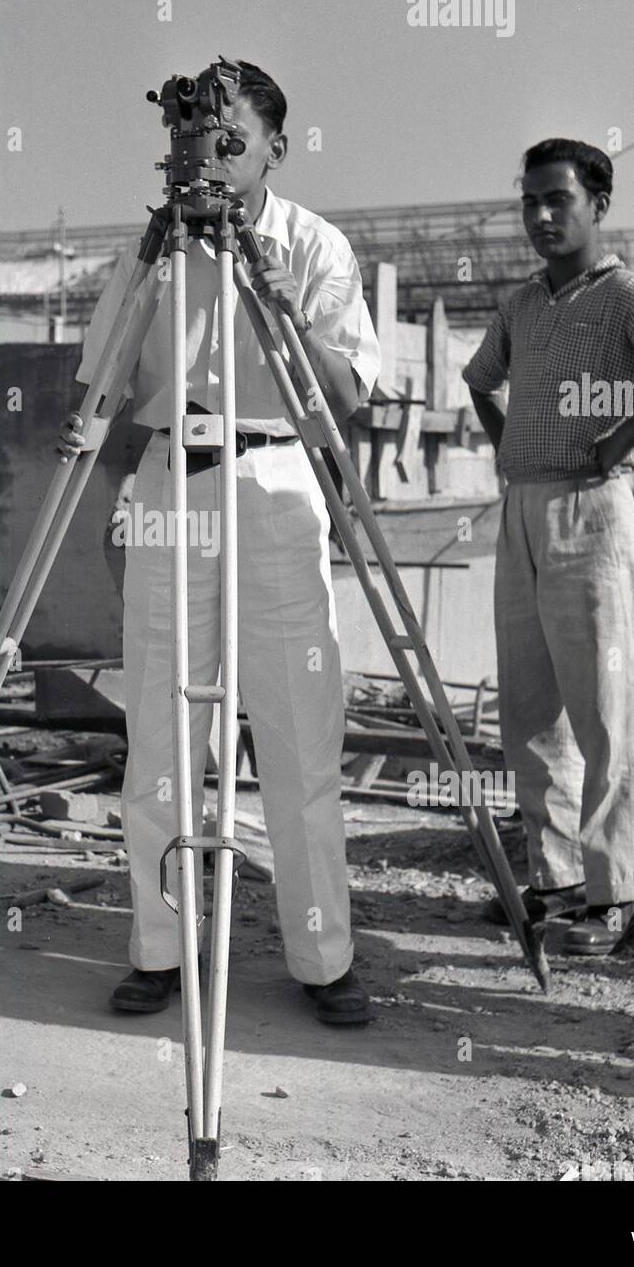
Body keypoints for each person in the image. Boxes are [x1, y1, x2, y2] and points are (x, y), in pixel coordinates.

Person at [61, 62, 380, 1023]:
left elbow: (350, 392)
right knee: (159, 733)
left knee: (296, 734)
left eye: (232, 135)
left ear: (276, 146)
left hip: (274, 479)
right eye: (199, 132)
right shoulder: (151, 249)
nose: (213, 151)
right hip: (170, 482)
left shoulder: (315, 247)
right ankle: (160, 946)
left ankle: (323, 958)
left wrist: (279, 295)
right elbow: (104, 381)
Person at [463, 138, 634, 955]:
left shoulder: (627, 296)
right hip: (521, 512)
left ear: (597, 206)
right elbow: (479, 381)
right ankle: (550, 878)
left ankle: (615, 891)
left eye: (560, 200)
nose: (542, 216)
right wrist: (509, 444)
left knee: (605, 716)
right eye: (530, 201)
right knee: (530, 711)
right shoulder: (520, 304)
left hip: (594, 516)